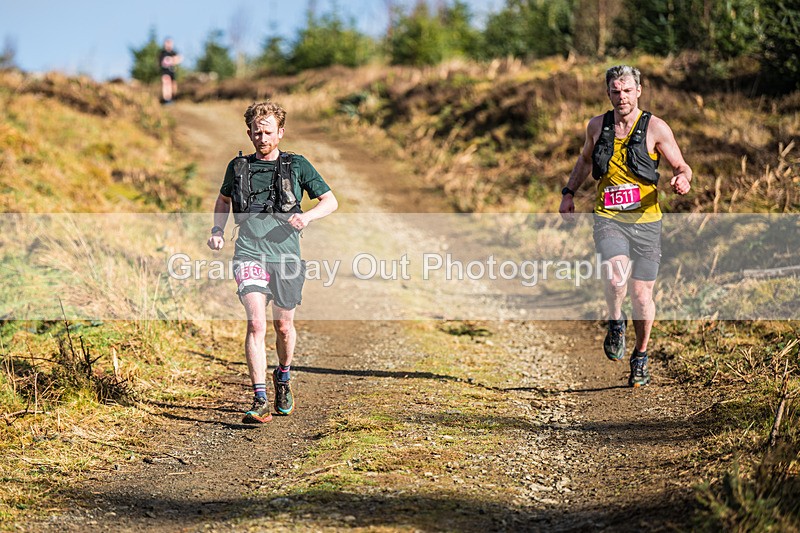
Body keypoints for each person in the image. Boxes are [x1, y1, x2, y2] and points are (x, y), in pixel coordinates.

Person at [559, 65, 692, 387]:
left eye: (628, 91)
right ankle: (616, 321)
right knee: (616, 276)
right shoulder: (596, 126)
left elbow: (681, 165)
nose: (622, 97)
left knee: (642, 296)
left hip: (647, 221)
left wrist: (682, 179)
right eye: (616, 91)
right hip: (609, 217)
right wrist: (569, 192)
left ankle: (641, 356)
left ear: (639, 91)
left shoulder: (656, 127)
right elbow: (585, 160)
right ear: (608, 93)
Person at [207, 101, 338, 422]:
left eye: (267, 132)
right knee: (256, 324)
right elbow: (223, 200)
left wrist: (307, 217)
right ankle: (259, 398)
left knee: (283, 326)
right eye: (256, 132)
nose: (261, 138)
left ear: (280, 133)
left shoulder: (298, 165)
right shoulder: (238, 167)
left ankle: (283, 376)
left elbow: (330, 201)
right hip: (249, 253)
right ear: (249, 133)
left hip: (287, 257)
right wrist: (217, 230)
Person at [159, 38, 182, 104]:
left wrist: (174, 60)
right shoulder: (163, 53)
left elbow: (179, 59)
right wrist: (171, 60)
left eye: (170, 43)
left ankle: (172, 98)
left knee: (173, 86)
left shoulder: (173, 52)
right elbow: (162, 62)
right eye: (167, 43)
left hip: (172, 72)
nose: (169, 45)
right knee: (166, 84)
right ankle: (167, 99)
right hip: (165, 72)